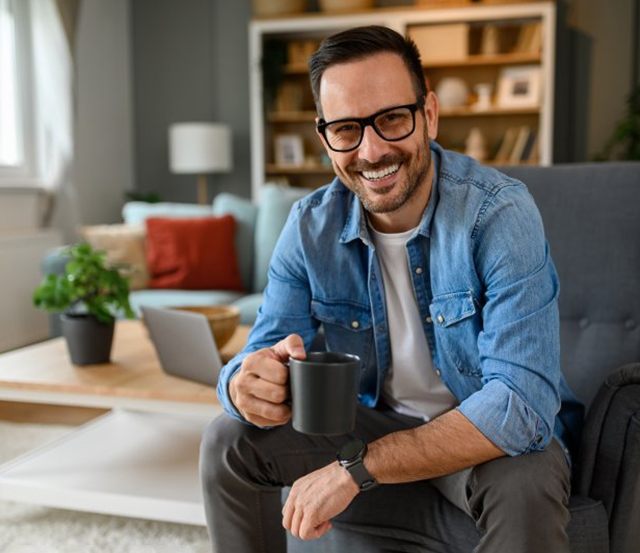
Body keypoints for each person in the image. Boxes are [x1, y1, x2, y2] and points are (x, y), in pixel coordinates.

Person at [200, 25, 582, 553]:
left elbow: (522, 403)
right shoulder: (309, 226)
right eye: (346, 129)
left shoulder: (497, 214)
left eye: (391, 119)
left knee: (527, 476)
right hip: (368, 421)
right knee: (227, 439)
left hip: (476, 436)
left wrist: (356, 470)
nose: (371, 150)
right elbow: (257, 355)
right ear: (324, 137)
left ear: (429, 114)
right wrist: (244, 386)